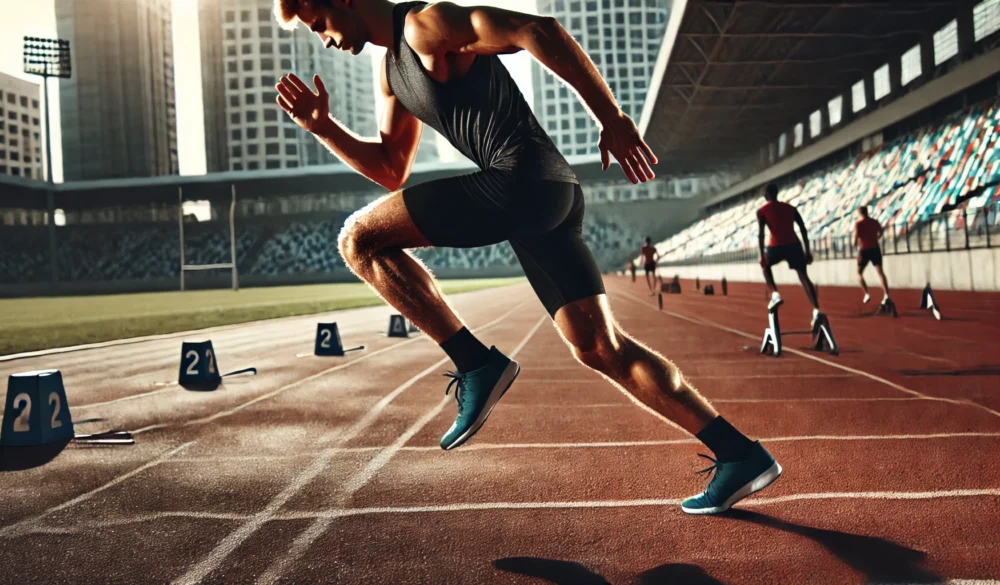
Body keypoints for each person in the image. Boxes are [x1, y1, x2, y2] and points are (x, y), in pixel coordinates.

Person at [274, 0, 781, 514]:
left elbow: (535, 28)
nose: (325, 40)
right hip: (549, 193)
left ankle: (476, 364)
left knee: (357, 240)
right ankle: (739, 454)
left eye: (320, 24)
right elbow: (390, 168)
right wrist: (325, 129)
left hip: (519, 181)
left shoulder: (424, 24)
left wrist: (613, 117)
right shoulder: (392, 74)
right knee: (600, 347)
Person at [757, 183, 821, 326]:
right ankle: (816, 310)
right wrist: (807, 250)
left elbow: (761, 235)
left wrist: (762, 254)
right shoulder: (791, 208)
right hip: (794, 245)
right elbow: (803, 229)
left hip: (776, 246)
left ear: (765, 196)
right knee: (804, 277)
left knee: (765, 266)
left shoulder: (762, 211)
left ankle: (775, 293)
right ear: (777, 193)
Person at [854, 206, 890, 305]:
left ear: (859, 213)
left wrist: (855, 246)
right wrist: (876, 238)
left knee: (859, 273)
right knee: (881, 273)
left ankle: (866, 293)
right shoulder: (874, 222)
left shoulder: (858, 224)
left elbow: (855, 238)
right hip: (875, 248)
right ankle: (886, 295)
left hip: (864, 250)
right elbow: (881, 231)